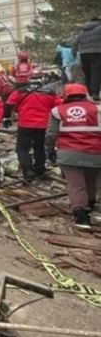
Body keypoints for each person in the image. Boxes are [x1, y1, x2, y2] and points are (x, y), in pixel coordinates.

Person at [45, 83, 101, 229]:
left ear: (65, 95)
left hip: (68, 153)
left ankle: (81, 217)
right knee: (92, 181)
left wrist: (50, 150)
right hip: (95, 153)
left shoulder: (57, 111)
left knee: (76, 185)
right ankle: (90, 205)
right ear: (85, 94)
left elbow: (51, 134)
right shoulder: (97, 109)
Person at [3, 84, 62, 180]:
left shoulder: (20, 90)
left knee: (22, 149)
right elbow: (59, 106)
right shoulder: (50, 92)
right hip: (43, 124)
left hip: (25, 124)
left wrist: (6, 117)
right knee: (40, 148)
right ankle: (39, 170)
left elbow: (9, 104)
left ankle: (28, 171)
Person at [72, 17, 101, 100]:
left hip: (84, 54)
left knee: (87, 73)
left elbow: (74, 43)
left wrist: (73, 54)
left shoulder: (83, 31)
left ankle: (90, 92)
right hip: (97, 53)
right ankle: (95, 92)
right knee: (96, 73)